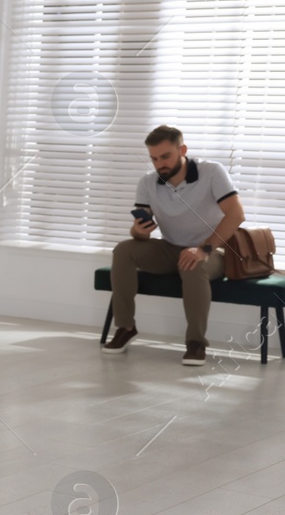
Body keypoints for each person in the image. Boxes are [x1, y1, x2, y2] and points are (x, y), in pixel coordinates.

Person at [104, 125, 243, 366]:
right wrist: (138, 231)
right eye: (154, 158)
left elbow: (236, 215)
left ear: (182, 150)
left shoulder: (211, 172)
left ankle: (196, 343)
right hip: (170, 248)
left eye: (165, 156)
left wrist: (203, 250)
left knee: (193, 264)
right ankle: (126, 327)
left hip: (213, 250)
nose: (159, 164)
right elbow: (140, 235)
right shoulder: (148, 182)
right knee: (124, 249)